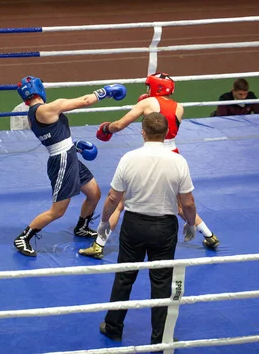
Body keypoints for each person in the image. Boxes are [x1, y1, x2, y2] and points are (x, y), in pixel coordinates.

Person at [79, 72, 219, 260]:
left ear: (156, 87)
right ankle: (209, 236)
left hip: (151, 154)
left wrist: (106, 128)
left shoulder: (147, 103)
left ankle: (99, 245)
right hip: (173, 154)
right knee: (179, 205)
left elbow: (120, 124)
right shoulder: (180, 107)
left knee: (119, 202)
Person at [98, 112, 197, 347]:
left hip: (134, 224)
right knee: (162, 281)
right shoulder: (178, 161)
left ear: (143, 132)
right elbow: (189, 203)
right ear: (166, 135)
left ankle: (113, 327)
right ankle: (160, 337)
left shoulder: (129, 158)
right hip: (165, 227)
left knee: (124, 276)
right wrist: (191, 224)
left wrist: (103, 222)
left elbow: (113, 197)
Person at [13, 76, 127, 257]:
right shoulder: (45, 109)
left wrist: (74, 145)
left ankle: (82, 227)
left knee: (94, 194)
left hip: (68, 155)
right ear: (39, 89)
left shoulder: (35, 113)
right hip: (62, 161)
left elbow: (53, 136)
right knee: (57, 211)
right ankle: (24, 237)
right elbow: (85, 101)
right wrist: (105, 91)